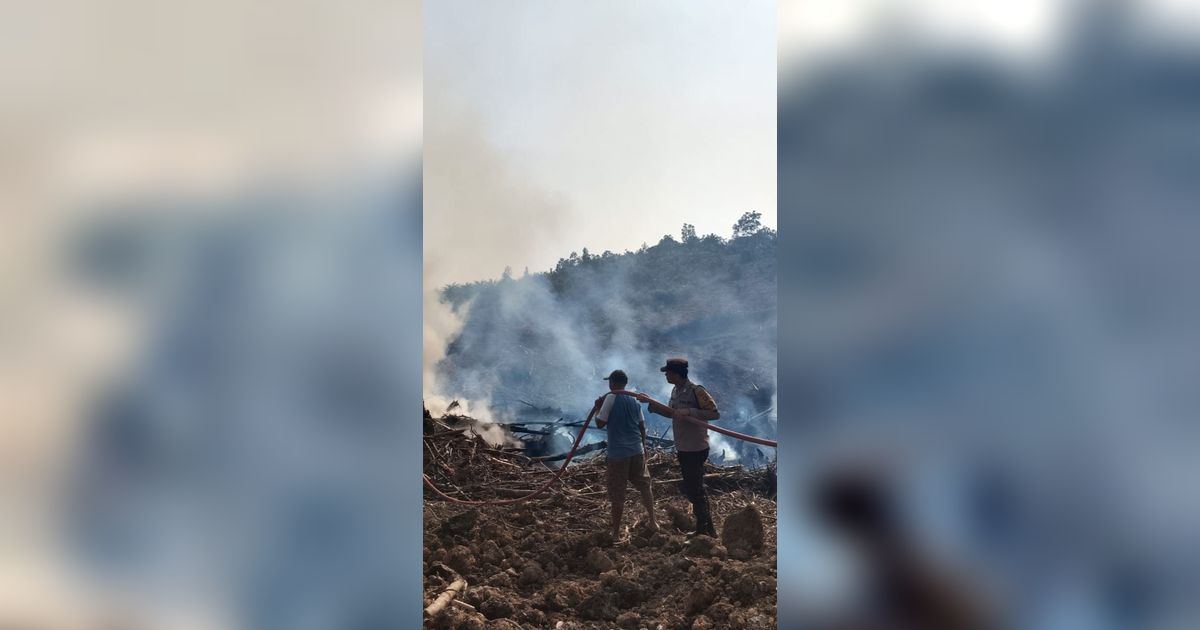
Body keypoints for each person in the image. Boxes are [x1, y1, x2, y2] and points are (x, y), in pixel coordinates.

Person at [633, 357, 721, 537]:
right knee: (692, 488)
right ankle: (704, 528)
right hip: (683, 446)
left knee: (696, 489)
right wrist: (651, 403)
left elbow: (714, 413)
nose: (666, 375)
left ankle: (706, 530)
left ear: (677, 373)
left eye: (668, 372)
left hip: (696, 447)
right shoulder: (675, 391)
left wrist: (689, 412)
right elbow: (672, 413)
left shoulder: (697, 391)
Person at [593, 369, 659, 541]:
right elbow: (642, 426)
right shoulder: (634, 399)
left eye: (609, 382)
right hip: (636, 451)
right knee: (645, 486)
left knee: (617, 493)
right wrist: (643, 448)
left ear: (612, 383)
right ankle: (653, 521)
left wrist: (597, 408)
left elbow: (600, 423)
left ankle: (615, 533)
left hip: (619, 454)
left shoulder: (610, 398)